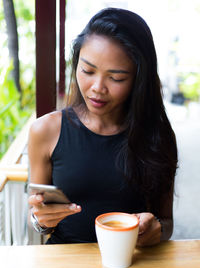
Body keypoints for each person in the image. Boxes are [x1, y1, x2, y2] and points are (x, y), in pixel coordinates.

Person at [28, 7, 178, 246]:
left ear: (139, 78)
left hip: (131, 265)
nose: (97, 87)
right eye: (87, 70)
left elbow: (166, 222)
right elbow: (36, 218)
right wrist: (41, 219)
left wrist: (156, 229)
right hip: (66, 266)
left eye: (116, 78)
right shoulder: (45, 130)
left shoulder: (157, 135)